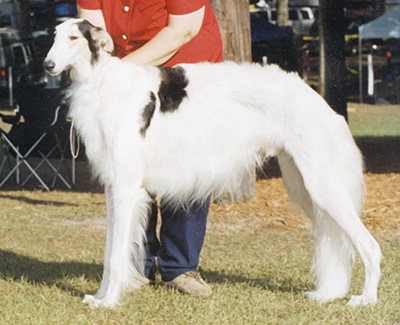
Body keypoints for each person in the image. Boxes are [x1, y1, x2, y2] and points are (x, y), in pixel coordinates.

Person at [76, 0, 223, 296]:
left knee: (186, 169)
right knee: (127, 175)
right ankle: (134, 267)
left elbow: (181, 31)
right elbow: (92, 35)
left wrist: (118, 69)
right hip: (128, 79)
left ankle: (180, 268)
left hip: (187, 76)